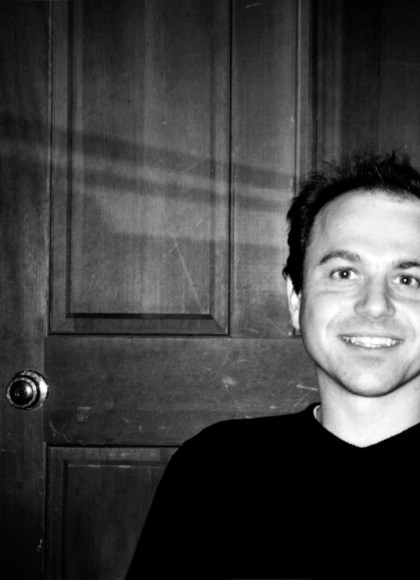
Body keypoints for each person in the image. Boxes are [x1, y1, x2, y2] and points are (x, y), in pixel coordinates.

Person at [126, 152, 420, 579]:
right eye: (344, 273)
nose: (375, 305)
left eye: (408, 279)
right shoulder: (213, 471)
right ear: (295, 299)